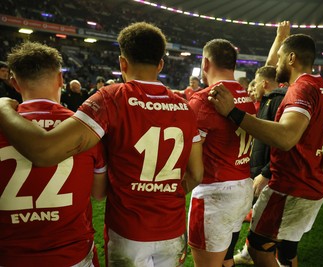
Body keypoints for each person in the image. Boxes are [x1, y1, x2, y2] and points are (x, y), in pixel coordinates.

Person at [0, 22, 204, 267]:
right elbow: (196, 173)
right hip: (171, 228)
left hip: (129, 230)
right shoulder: (185, 107)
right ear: (161, 65)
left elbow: (45, 151)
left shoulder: (111, 97)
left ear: (122, 63)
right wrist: (162, 195)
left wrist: (3, 107)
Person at [209, 30, 323, 267]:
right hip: (308, 182)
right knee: (281, 248)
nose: (276, 65)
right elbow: (268, 68)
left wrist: (234, 114)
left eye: (281, 57)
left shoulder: (301, 89)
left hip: (291, 186)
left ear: (292, 59)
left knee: (258, 248)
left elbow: (286, 137)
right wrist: (278, 40)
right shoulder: (318, 85)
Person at [0, 42, 107, 266]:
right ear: (60, 79)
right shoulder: (84, 128)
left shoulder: (4, 120)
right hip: (71, 254)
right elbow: (99, 193)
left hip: (10, 255)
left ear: (14, 83)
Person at [187, 38, 256, 267]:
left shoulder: (205, 99)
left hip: (214, 195)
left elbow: (189, 155)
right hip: (242, 187)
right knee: (226, 261)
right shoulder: (246, 96)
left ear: (205, 63)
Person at [234, 66, 287, 266]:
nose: (251, 88)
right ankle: (249, 253)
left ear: (264, 83)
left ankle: (279, 259)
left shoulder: (277, 101)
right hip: (263, 172)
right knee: (258, 218)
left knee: (270, 230)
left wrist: (266, 172)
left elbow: (282, 142)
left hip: (271, 176)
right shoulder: (267, 100)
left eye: (254, 83)